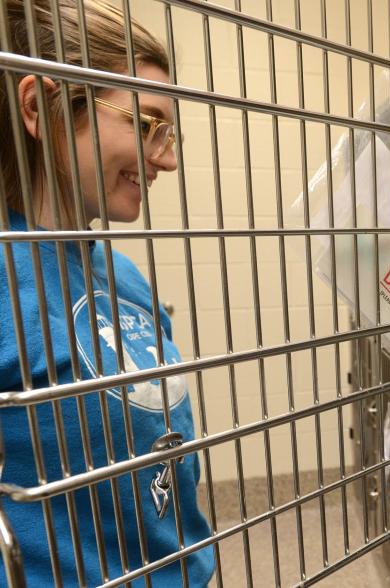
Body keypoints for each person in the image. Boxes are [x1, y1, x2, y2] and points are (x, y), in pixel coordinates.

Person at [0, 1, 213, 585]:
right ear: (39, 107)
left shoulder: (126, 278)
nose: (167, 158)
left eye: (171, 133)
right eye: (147, 124)